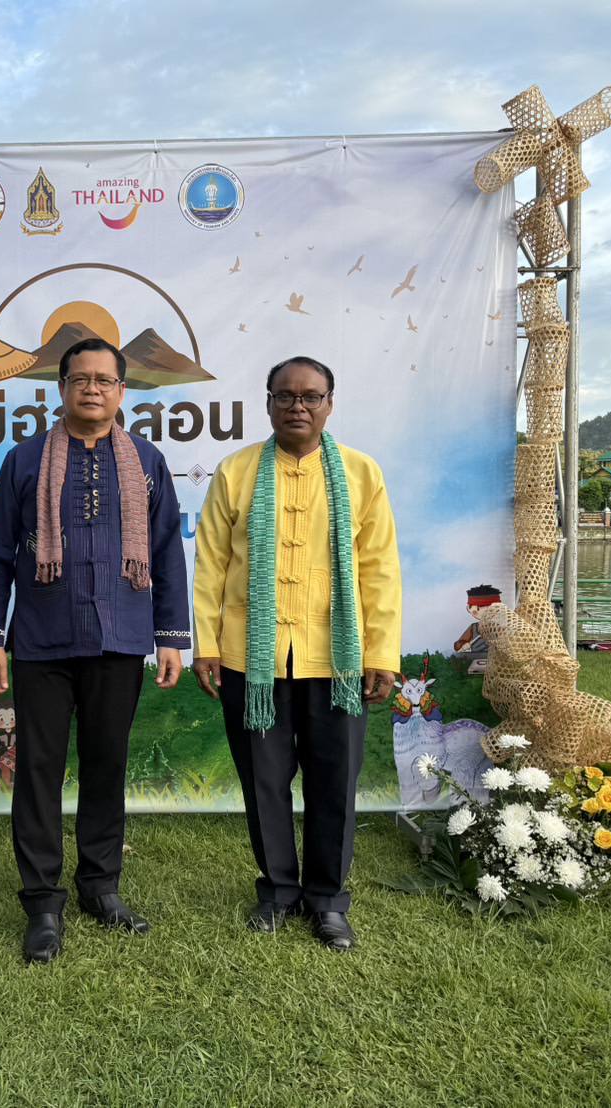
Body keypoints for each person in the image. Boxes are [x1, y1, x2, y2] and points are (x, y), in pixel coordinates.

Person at [0, 337, 190, 964]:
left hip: (120, 638)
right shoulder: (25, 460)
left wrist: (171, 636)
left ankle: (100, 886)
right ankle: (43, 903)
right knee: (37, 770)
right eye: (80, 379)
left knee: (106, 765)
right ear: (61, 388)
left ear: (121, 391)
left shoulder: (146, 461)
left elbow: (167, 551)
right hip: (41, 641)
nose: (92, 388)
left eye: (104, 380)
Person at [193, 355, 401, 951]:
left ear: (330, 404)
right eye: (285, 396)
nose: (298, 407)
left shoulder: (361, 473)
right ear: (268, 404)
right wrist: (207, 644)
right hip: (251, 660)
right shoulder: (236, 471)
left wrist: (381, 653)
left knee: (335, 782)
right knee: (263, 781)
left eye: (311, 396)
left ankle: (328, 899)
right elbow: (211, 565)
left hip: (337, 661)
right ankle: (279, 891)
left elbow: (379, 569)